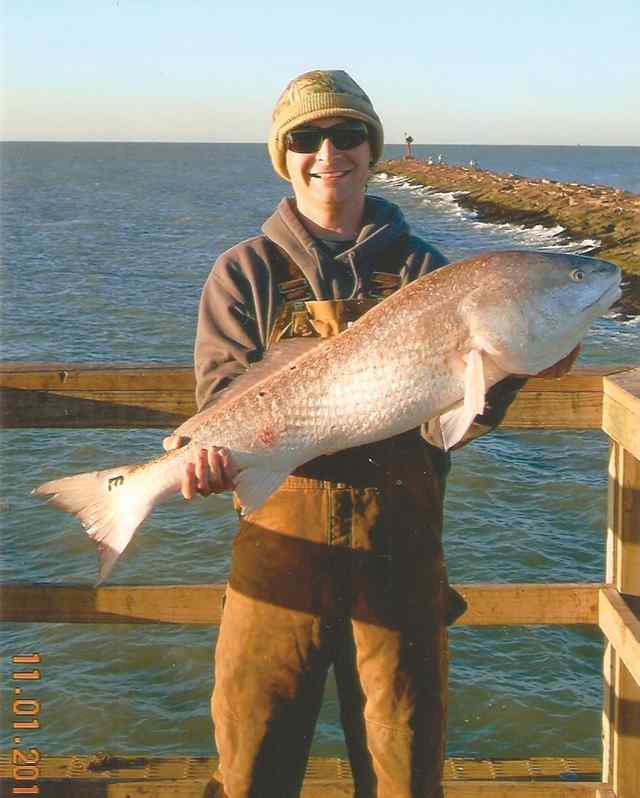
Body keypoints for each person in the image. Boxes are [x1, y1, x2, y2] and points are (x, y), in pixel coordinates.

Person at [164, 69, 578, 798]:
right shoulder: (244, 273)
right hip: (277, 568)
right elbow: (220, 398)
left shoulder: (426, 271)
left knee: (405, 776)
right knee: (252, 771)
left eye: (348, 133)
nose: (330, 151)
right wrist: (202, 464)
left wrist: (518, 366)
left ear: (373, 147)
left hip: (402, 567)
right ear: (284, 155)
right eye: (307, 137)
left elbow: (458, 425)